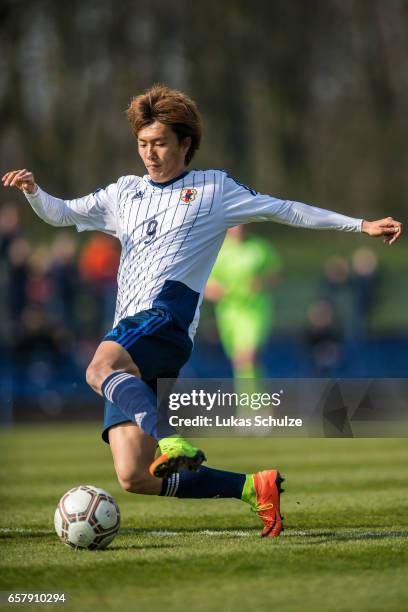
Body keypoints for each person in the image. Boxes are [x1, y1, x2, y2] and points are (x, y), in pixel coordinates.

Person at [2, 84, 402, 539]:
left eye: (159, 143)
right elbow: (60, 213)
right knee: (135, 475)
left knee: (98, 369)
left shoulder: (214, 189)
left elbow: (286, 210)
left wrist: (360, 224)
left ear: (185, 143)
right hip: (130, 335)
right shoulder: (124, 192)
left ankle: (169, 435)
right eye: (142, 143)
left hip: (165, 318)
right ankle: (254, 487)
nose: (149, 153)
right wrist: (35, 192)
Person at [206, 224, 281, 380]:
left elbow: (275, 275)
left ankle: (253, 402)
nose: (239, 228)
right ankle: (252, 400)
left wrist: (262, 283)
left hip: (254, 310)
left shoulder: (260, 248)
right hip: (229, 311)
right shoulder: (217, 250)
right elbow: (205, 284)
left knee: (248, 356)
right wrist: (214, 290)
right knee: (240, 361)